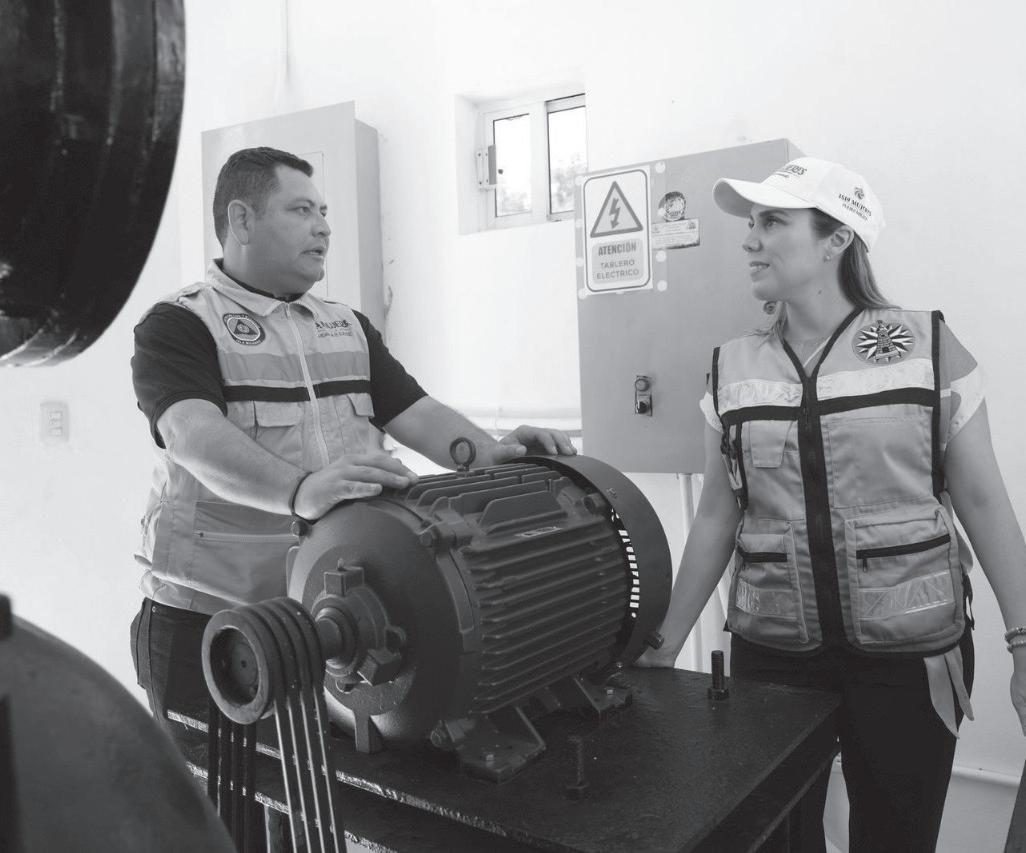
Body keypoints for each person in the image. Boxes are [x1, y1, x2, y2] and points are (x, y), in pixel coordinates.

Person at [637, 157, 1026, 852]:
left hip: (911, 658)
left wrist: (1025, 643)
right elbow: (718, 516)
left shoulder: (929, 348)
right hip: (774, 659)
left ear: (838, 237)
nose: (750, 239)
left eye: (772, 222)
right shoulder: (732, 369)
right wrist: (664, 644)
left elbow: (983, 500)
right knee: (776, 838)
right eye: (752, 223)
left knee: (897, 840)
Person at [129, 146, 577, 749]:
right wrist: (299, 490)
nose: (323, 227)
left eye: (324, 212)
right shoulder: (181, 324)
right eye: (301, 210)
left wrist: (489, 452)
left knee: (324, 800)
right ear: (241, 220)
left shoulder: (346, 326)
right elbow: (191, 433)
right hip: (214, 626)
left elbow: (416, 412)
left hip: (331, 622)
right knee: (211, 802)